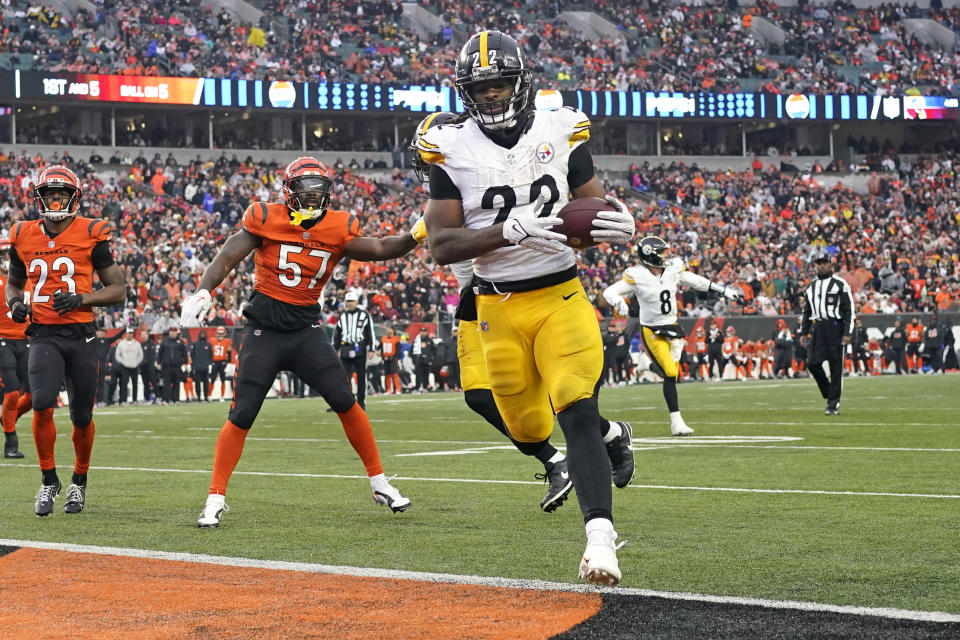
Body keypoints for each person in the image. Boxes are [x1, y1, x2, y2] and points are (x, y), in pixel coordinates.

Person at [419, 31, 637, 585]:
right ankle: (615, 436)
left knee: (575, 408)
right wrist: (505, 231)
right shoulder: (451, 147)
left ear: (521, 83)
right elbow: (441, 246)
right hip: (496, 307)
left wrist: (613, 222)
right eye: (481, 89)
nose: (491, 98)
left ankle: (600, 540)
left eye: (499, 86)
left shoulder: (560, 129)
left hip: (561, 294)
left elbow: (588, 208)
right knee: (525, 424)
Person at [181, 156, 418, 528]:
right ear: (288, 192)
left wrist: (415, 234)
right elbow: (229, 254)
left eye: (318, 192)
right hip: (264, 331)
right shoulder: (264, 216)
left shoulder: (340, 226)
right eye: (304, 192)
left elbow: (380, 249)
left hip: (306, 331)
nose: (311, 199)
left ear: (328, 194)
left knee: (345, 401)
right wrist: (204, 291)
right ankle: (215, 497)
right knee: (241, 414)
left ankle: (379, 482)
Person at [410, 112, 577, 513]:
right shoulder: (440, 206)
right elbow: (405, 243)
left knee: (551, 385)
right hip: (476, 305)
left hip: (513, 294)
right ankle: (556, 459)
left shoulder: (481, 188)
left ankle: (598, 437)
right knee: (480, 397)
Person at [6, 165, 126, 515]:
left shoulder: (91, 232)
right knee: (41, 403)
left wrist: (82, 299)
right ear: (39, 198)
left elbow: (119, 289)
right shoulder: (23, 234)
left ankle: (79, 481)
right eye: (50, 194)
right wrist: (15, 303)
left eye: (62, 194)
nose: (56, 200)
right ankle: (48, 481)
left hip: (81, 334)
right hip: (43, 334)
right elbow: (14, 281)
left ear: (74, 198)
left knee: (81, 416)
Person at [604, 236, 742, 435]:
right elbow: (611, 291)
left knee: (672, 374)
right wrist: (618, 303)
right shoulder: (637, 275)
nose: (666, 255)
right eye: (662, 252)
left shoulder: (673, 268)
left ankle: (646, 365)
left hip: (672, 327)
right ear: (650, 255)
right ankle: (676, 423)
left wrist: (723, 290)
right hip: (651, 329)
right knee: (669, 372)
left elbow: (694, 280)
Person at [800, 249, 854, 415]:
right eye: (819, 264)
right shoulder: (811, 286)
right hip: (817, 327)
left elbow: (848, 310)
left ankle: (833, 404)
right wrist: (804, 332)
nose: (821, 266)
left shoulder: (840, 284)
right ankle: (829, 392)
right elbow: (807, 311)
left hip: (835, 327)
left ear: (831, 265)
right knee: (811, 363)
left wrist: (847, 333)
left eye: (824, 263)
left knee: (835, 366)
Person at [0, 239, 31, 458]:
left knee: (34, 396)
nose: (6, 260)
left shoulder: (27, 279)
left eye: (9, 256)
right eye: (2, 256)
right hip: (3, 341)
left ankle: (6, 418)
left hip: (28, 340)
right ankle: (11, 443)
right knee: (11, 393)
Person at [333, 291, 375, 409]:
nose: (350, 304)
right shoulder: (342, 316)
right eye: (348, 302)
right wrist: (335, 348)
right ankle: (348, 400)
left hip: (359, 347)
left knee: (361, 376)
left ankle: (361, 402)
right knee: (344, 376)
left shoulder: (364, 315)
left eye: (352, 301)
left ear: (357, 302)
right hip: (346, 347)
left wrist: (371, 349)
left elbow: (370, 332)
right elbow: (337, 333)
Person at [157, 326, 188, 403]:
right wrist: (159, 363)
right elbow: (160, 353)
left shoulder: (180, 342)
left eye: (174, 332)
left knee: (176, 383)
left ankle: (176, 399)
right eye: (171, 332)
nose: (173, 333)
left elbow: (184, 353)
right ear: (169, 332)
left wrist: (185, 363)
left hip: (177, 365)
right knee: (166, 383)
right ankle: (165, 399)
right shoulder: (165, 341)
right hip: (166, 366)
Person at [113, 327, 144, 404]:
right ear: (126, 334)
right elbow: (117, 355)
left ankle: (135, 400)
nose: (130, 335)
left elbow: (141, 355)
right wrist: (123, 362)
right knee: (124, 383)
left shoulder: (137, 344)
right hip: (125, 367)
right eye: (128, 333)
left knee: (135, 384)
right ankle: (123, 400)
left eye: (131, 333)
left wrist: (137, 362)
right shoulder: (121, 344)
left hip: (134, 366)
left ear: (133, 334)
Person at [208, 326, 232, 400]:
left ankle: (222, 396)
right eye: (218, 333)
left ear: (224, 333)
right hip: (214, 362)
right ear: (216, 333)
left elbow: (229, 353)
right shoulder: (212, 340)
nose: (220, 335)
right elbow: (209, 352)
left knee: (223, 380)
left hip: (223, 362)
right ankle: (209, 395)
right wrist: (209, 362)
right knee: (212, 379)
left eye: (221, 333)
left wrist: (229, 363)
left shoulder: (227, 341)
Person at [191, 330, 213, 401]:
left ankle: (206, 397)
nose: (202, 335)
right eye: (201, 334)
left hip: (205, 367)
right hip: (197, 367)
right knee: (197, 383)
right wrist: (194, 363)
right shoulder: (195, 344)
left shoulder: (208, 344)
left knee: (206, 383)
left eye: (204, 334)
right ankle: (199, 397)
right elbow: (192, 354)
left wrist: (209, 363)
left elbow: (211, 355)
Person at [410, 326, 434, 392]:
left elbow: (434, 350)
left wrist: (431, 359)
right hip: (418, 360)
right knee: (418, 375)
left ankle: (425, 387)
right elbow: (411, 351)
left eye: (424, 331)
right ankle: (417, 388)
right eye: (422, 331)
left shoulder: (429, 341)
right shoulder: (416, 340)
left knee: (426, 374)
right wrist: (414, 359)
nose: (423, 333)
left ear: (426, 332)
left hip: (427, 361)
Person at [379, 326, 402, 394]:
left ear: (393, 330)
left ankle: (397, 389)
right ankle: (388, 390)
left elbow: (398, 350)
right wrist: (382, 355)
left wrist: (395, 357)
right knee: (387, 374)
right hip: (385, 359)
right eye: (387, 328)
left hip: (393, 359)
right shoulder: (383, 338)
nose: (387, 330)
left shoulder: (396, 339)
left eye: (389, 329)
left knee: (394, 373)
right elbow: (380, 348)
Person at [139, 330, 158, 403]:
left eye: (144, 334)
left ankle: (158, 396)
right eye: (142, 335)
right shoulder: (140, 345)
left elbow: (151, 357)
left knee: (153, 382)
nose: (143, 336)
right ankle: (146, 398)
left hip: (150, 367)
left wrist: (142, 362)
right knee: (145, 383)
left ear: (147, 335)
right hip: (142, 368)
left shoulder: (151, 344)